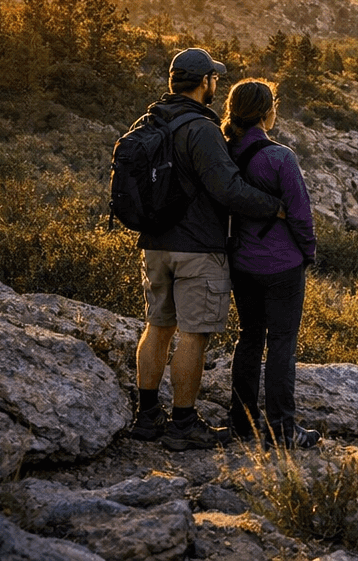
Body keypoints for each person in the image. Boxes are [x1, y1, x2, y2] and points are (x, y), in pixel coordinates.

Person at [132, 48, 285, 450]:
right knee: (194, 334)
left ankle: (146, 417)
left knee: (157, 327)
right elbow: (228, 189)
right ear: (205, 83)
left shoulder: (150, 119)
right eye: (214, 78)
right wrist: (275, 207)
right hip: (197, 247)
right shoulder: (202, 129)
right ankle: (183, 423)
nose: (215, 84)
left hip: (154, 244)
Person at [222, 79, 320, 448]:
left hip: (242, 263)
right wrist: (307, 253)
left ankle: (243, 424)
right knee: (281, 344)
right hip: (281, 266)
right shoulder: (280, 157)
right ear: (267, 113)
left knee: (248, 338)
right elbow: (301, 215)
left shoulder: (224, 153)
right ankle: (283, 430)